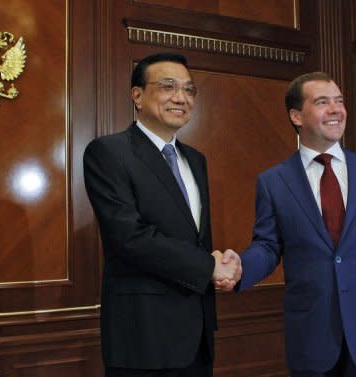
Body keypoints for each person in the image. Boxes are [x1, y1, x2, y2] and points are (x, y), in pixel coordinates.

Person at [218, 72, 356, 376]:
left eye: (339, 101)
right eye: (323, 102)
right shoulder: (274, 182)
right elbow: (269, 246)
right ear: (296, 115)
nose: (336, 109)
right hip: (310, 334)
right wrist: (241, 266)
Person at [83, 52, 242, 377]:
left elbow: (194, 238)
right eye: (168, 87)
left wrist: (222, 264)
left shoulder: (195, 160)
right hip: (143, 337)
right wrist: (209, 265)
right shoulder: (109, 152)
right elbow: (129, 238)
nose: (181, 98)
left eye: (189, 90)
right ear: (137, 95)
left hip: (197, 336)